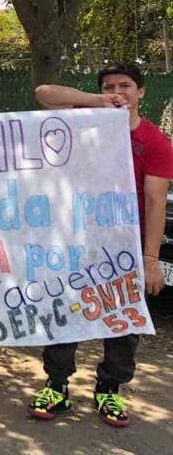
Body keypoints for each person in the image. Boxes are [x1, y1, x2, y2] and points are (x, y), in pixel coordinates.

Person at [31, 62, 173, 427]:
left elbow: (156, 201)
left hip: (128, 243)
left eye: (126, 85)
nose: (118, 91)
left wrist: (151, 257)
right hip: (79, 237)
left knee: (123, 322)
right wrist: (96, 101)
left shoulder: (155, 142)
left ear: (141, 92)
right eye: (110, 85)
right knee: (66, 310)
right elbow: (44, 94)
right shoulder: (84, 120)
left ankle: (109, 389)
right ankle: (57, 386)